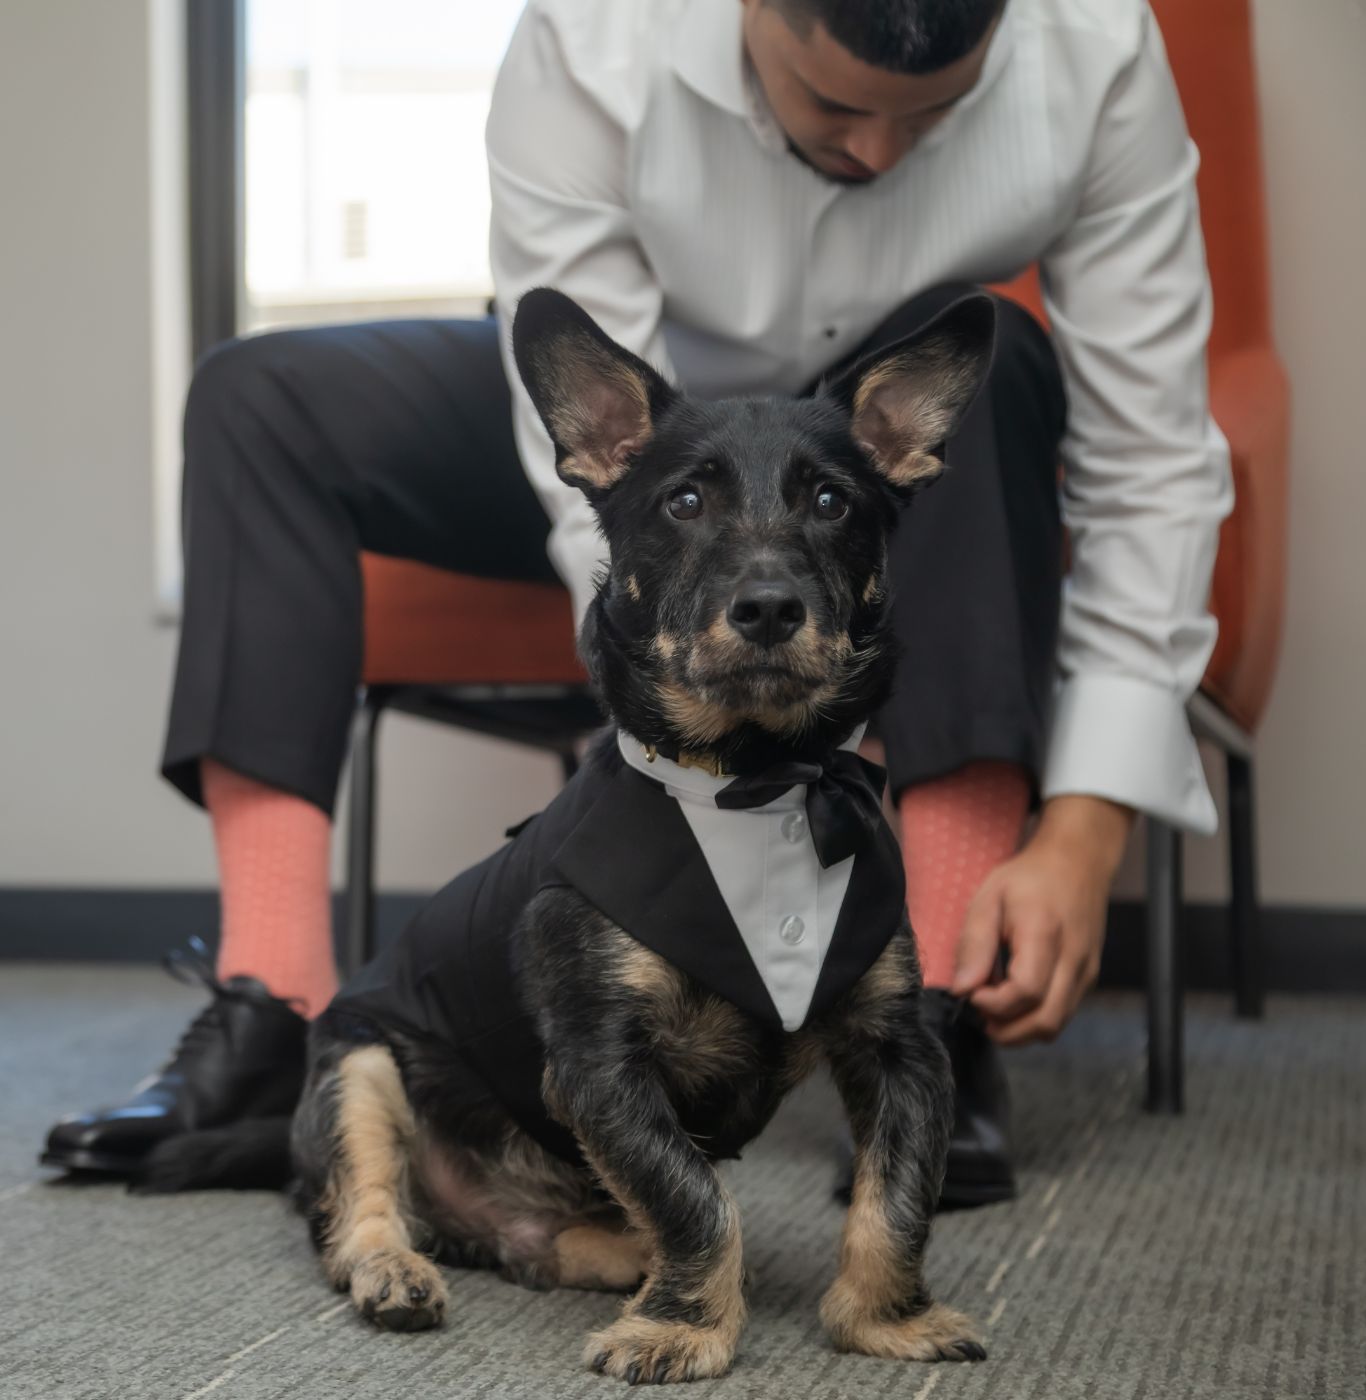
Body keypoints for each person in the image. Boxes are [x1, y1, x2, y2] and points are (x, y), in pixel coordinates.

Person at [42, 0, 1230, 1207]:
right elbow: (589, 485)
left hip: (858, 446)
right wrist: (668, 714)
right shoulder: (590, 35)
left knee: (1000, 369)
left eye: (933, 117)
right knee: (258, 396)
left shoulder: (1098, 48)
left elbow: (1153, 462)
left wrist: (1082, 834)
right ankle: (274, 1006)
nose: (877, 155)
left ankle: (931, 995)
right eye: (832, 106)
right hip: (642, 446)